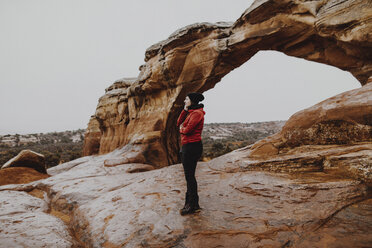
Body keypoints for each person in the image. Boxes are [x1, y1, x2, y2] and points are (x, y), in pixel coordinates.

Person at [176, 92, 205, 215]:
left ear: (192, 100)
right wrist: (184, 110)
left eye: (186, 99)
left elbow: (187, 130)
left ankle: (192, 205)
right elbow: (178, 123)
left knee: (190, 177)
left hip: (192, 147)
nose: (184, 101)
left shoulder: (197, 113)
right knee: (189, 176)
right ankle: (192, 204)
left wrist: (181, 130)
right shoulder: (191, 112)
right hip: (188, 145)